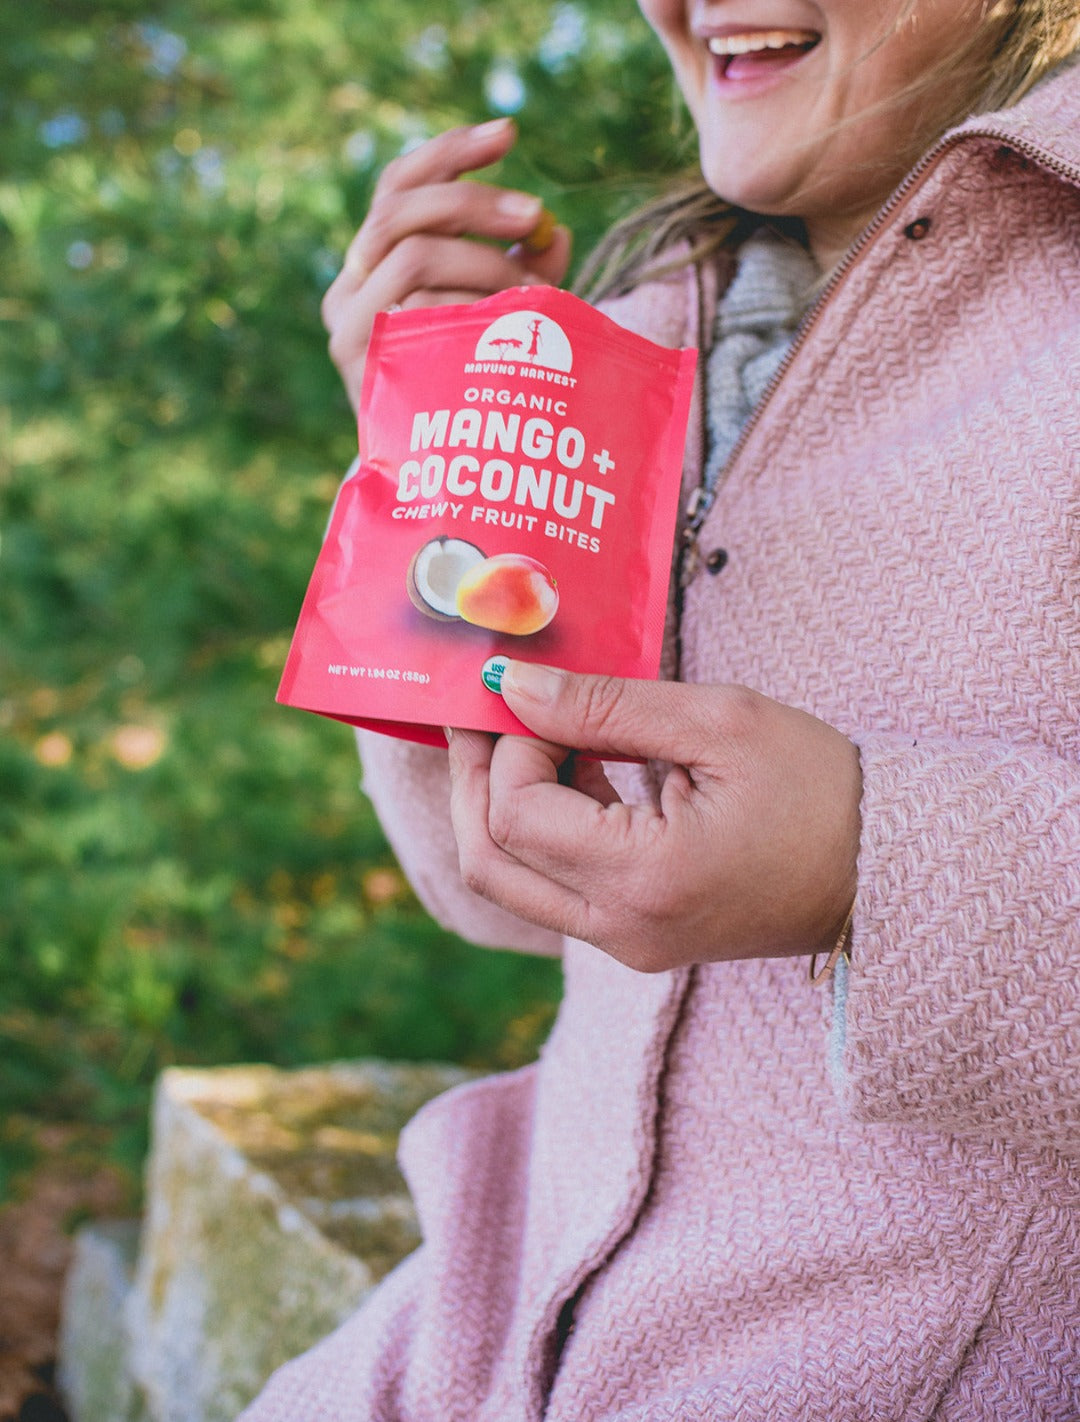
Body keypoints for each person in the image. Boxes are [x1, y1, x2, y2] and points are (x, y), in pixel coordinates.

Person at [242, 1, 1080, 1417]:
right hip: (475, 1323)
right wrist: (429, 456)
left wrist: (870, 865)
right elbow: (504, 890)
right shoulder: (636, 315)